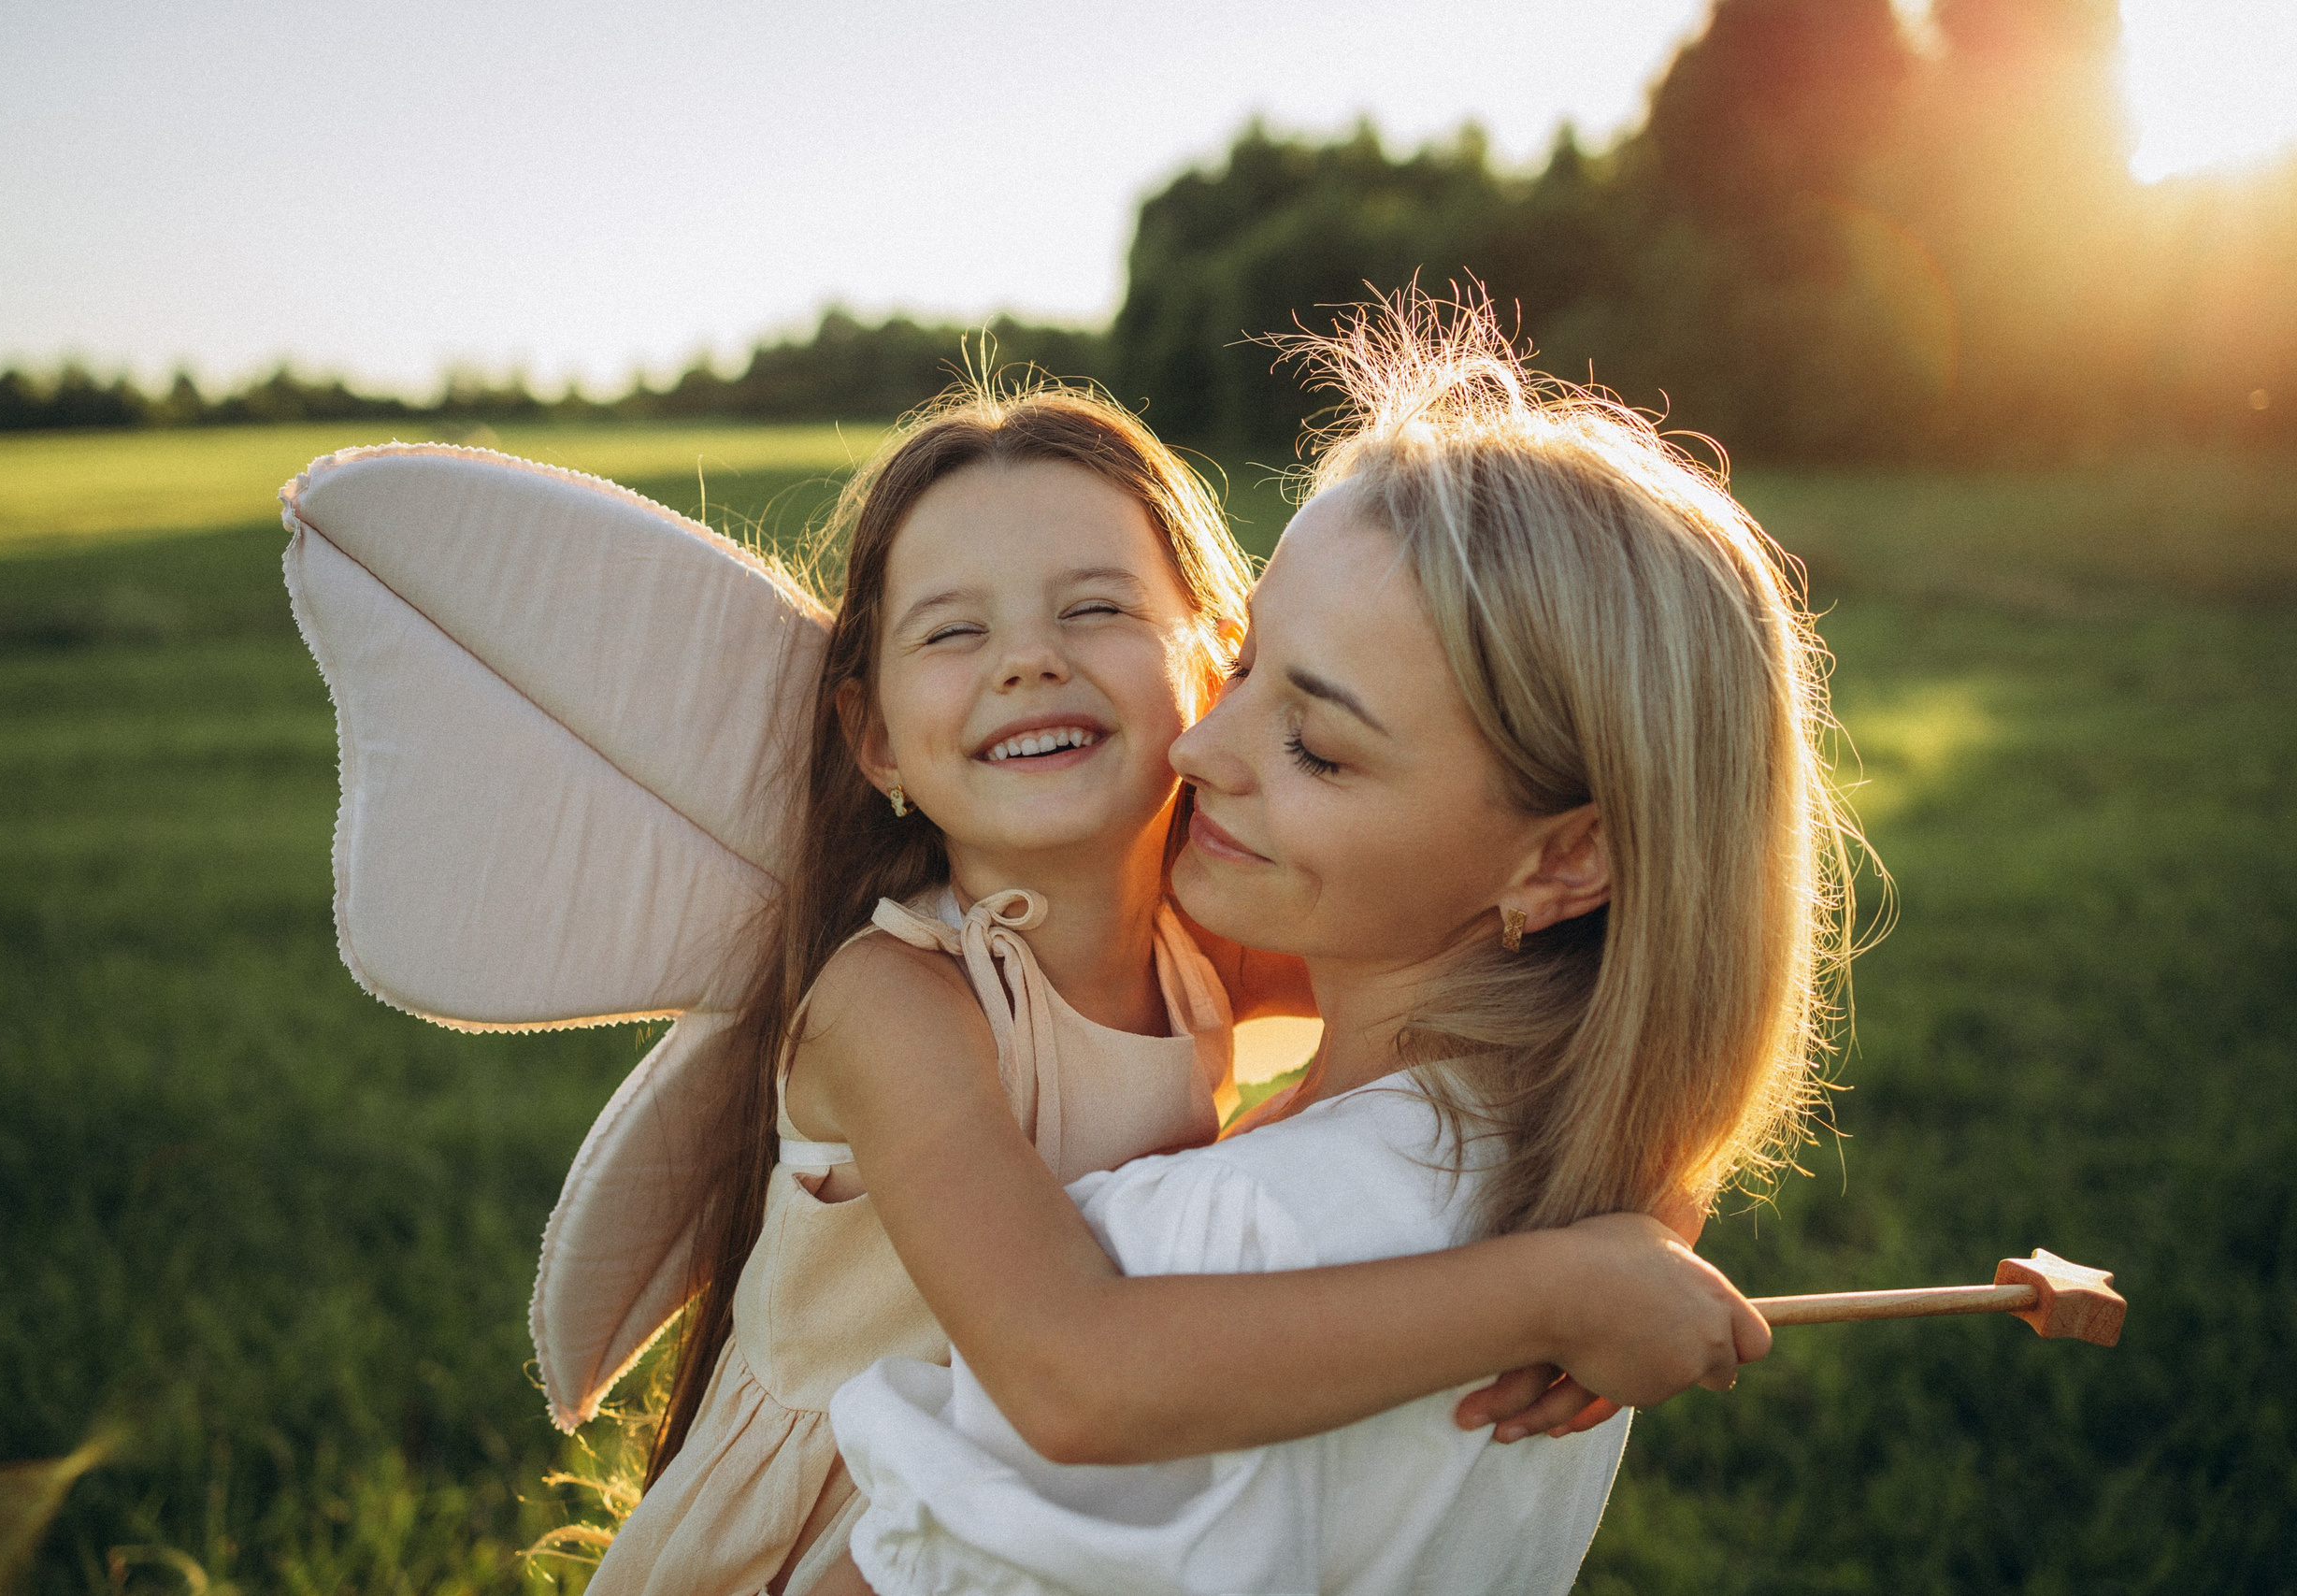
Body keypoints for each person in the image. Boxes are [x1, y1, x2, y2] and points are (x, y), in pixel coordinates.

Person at [592, 366, 1778, 1596]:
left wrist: (1647, 1199)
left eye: (1094, 609)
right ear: (876, 736)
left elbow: (1586, 1011)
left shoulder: (1204, 944)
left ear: (1201, 654)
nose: (1028, 663)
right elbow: (1068, 1374)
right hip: (838, 1526)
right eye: (954, 630)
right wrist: (1551, 1289)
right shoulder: (898, 1001)